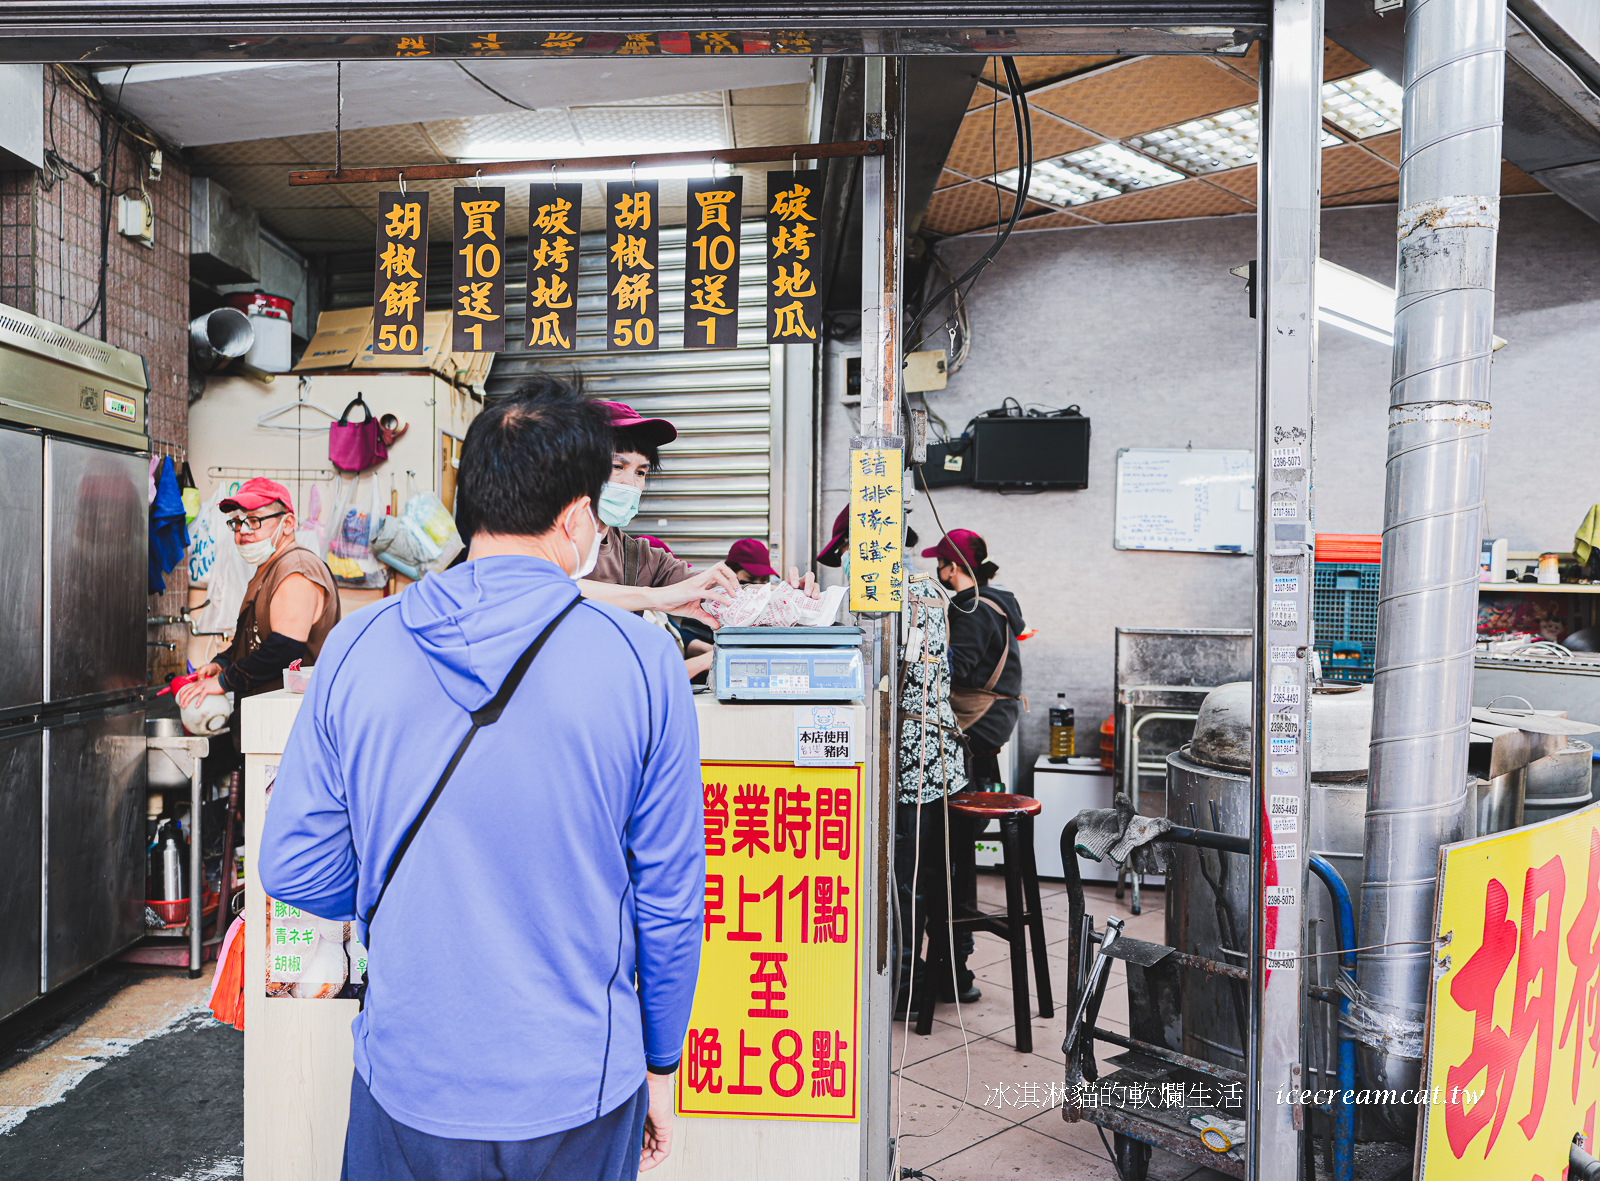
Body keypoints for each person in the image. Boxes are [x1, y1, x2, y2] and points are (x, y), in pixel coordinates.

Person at [257, 379, 704, 1181]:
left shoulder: (355, 648)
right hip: (580, 1084)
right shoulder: (643, 663)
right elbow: (668, 899)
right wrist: (661, 1066)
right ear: (576, 517)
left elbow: (295, 865)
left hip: (406, 1077)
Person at [178, 478, 340, 711]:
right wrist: (222, 664)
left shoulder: (297, 571)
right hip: (265, 723)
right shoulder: (267, 569)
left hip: (290, 724)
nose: (243, 531)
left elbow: (282, 652)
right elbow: (253, 641)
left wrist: (224, 681)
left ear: (287, 524)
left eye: (254, 521)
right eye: (237, 522)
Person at [924, 529, 1026, 788]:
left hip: (984, 717)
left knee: (916, 741)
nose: (938, 569)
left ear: (953, 567)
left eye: (939, 563)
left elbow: (956, 668)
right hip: (997, 712)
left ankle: (950, 823)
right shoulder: (985, 601)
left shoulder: (974, 608)